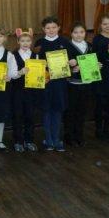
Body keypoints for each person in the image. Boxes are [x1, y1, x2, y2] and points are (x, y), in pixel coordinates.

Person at [35, 16, 72, 152]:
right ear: (43, 29)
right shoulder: (39, 43)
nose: (51, 30)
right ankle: (48, 140)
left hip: (60, 84)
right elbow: (35, 62)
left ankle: (56, 139)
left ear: (58, 28)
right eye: (48, 28)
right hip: (46, 83)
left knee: (57, 111)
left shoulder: (65, 42)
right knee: (47, 111)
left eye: (54, 27)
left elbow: (71, 60)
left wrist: (71, 62)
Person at [10, 29, 40, 153]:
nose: (25, 43)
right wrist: (20, 72)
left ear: (31, 42)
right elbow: (11, 75)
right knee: (17, 116)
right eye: (22, 41)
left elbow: (38, 74)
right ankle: (18, 141)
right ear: (18, 42)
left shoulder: (35, 55)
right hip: (17, 90)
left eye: (28, 41)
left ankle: (29, 140)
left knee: (30, 116)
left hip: (31, 91)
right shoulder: (13, 55)